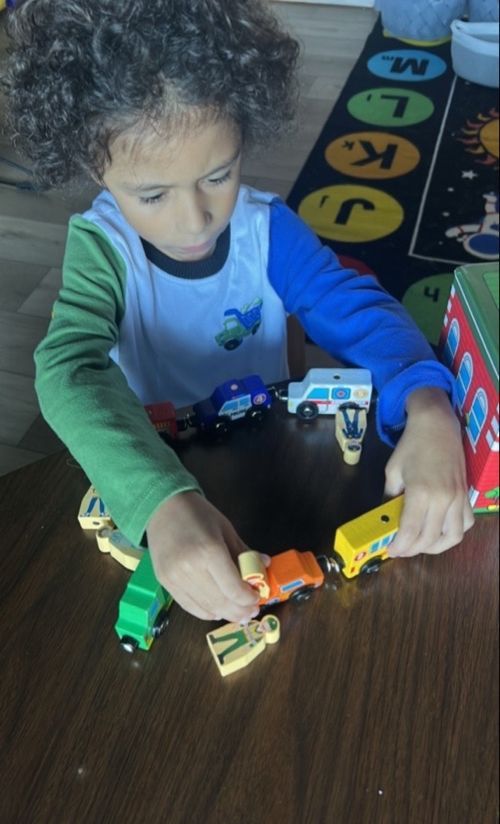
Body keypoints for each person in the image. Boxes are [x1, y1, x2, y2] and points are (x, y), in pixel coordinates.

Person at [3, 0, 473, 623]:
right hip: (162, 470)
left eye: (218, 176)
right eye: (152, 194)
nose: (194, 220)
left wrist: (428, 401)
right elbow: (69, 368)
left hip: (273, 464)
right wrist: (159, 503)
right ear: (96, 165)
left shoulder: (267, 231)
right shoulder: (103, 251)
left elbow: (352, 306)